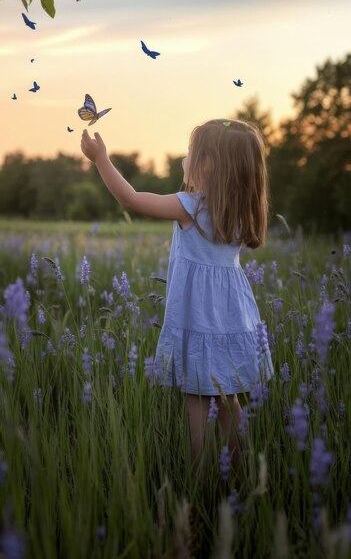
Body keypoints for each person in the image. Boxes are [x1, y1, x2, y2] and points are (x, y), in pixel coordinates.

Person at [80, 119, 274, 473]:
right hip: (232, 317)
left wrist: (100, 159)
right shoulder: (240, 210)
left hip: (198, 317)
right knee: (228, 399)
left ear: (208, 164)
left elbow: (130, 198)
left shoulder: (192, 206)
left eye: (191, 153)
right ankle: (242, 475)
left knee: (198, 402)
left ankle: (200, 485)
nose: (185, 158)